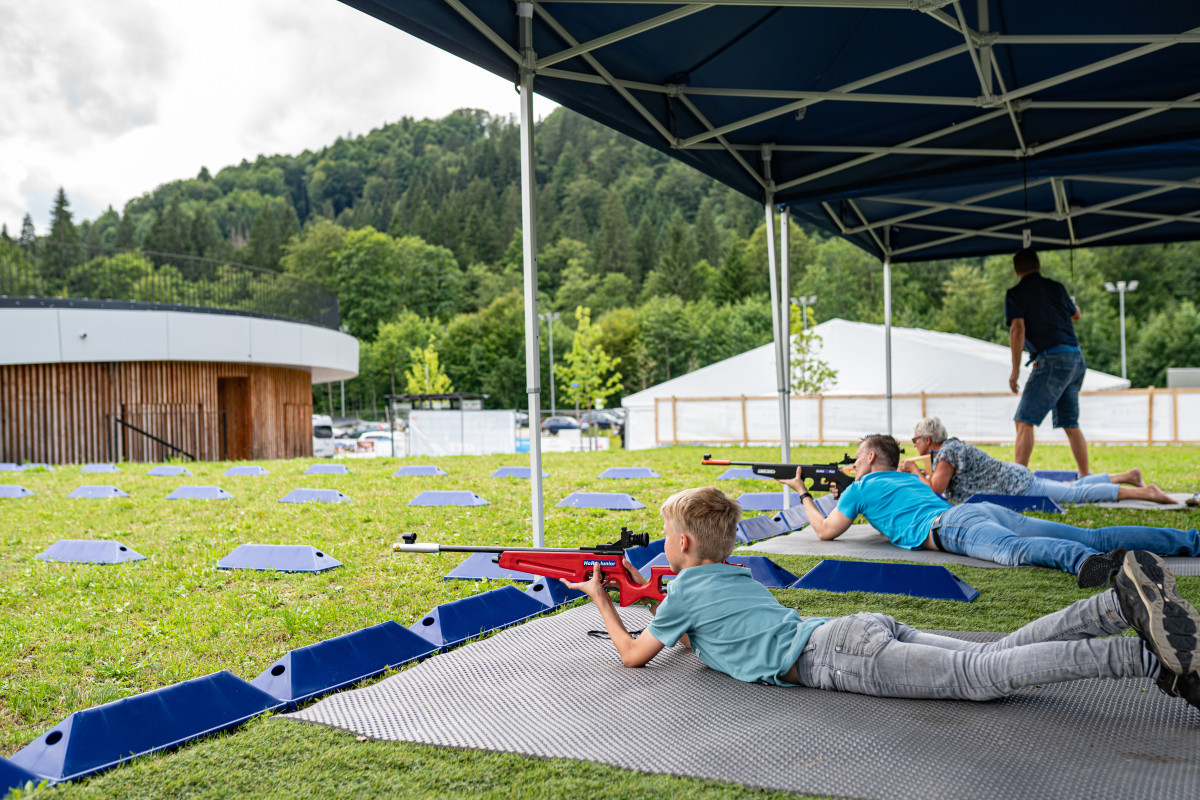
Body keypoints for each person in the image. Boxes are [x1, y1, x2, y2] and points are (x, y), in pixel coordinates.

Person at [563, 487, 1200, 708]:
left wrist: (601, 598)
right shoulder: (728, 577)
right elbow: (695, 621)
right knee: (994, 657)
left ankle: (1147, 659)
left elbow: (632, 656)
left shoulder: (687, 595)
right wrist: (656, 606)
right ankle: (1114, 607)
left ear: (676, 544)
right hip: (853, 629)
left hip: (833, 657)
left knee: (983, 675)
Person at [778, 434, 1200, 588]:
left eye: (858, 456)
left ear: (869, 458)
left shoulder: (864, 484)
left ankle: (1084, 564)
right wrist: (844, 490)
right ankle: (1190, 541)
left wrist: (804, 494)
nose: (855, 460)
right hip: (978, 511)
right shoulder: (906, 477)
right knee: (1090, 533)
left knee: (1017, 550)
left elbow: (826, 532)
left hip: (951, 525)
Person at [901, 416, 1178, 506]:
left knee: (1075, 493)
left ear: (927, 439)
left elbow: (936, 489)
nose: (913, 444)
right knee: (1072, 487)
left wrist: (914, 470)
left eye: (915, 439)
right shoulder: (948, 449)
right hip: (1017, 479)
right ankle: (1128, 476)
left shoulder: (947, 453)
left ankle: (1145, 492)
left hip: (1017, 486)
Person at [1006, 248, 1089, 474]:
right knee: (1071, 423)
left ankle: (1017, 480)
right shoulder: (1056, 287)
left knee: (1023, 421)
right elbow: (1076, 314)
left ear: (1016, 270)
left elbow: (1018, 329)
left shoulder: (1016, 294)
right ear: (1039, 265)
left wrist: (1015, 371)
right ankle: (1084, 475)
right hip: (1075, 359)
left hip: (1052, 359)